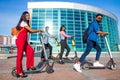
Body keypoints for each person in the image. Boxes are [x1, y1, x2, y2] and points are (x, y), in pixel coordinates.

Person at [15, 11, 43, 78]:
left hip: (24, 42)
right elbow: (31, 30)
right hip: (20, 41)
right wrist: (39, 30)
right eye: (26, 15)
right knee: (20, 57)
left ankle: (29, 66)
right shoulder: (23, 23)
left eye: (29, 15)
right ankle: (19, 72)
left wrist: (38, 32)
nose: (28, 16)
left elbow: (30, 32)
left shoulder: (26, 24)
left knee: (30, 51)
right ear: (23, 16)